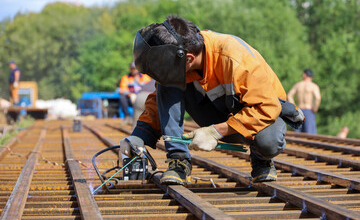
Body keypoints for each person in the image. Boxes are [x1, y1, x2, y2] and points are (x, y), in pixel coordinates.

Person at [119, 15, 304, 185]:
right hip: (216, 110)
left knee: (268, 141)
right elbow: (159, 102)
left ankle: (261, 157)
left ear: (189, 59)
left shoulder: (235, 58)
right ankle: (179, 161)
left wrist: (216, 132)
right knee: (166, 83)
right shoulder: (181, 57)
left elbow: (267, 108)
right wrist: (140, 135)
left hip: (259, 114)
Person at [288, 69, 321, 134]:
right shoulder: (313, 86)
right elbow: (318, 98)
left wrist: (294, 107)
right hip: (309, 111)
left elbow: (289, 95)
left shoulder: (298, 85)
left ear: (304, 75)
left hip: (299, 110)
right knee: (310, 135)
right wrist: (315, 108)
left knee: (297, 134)